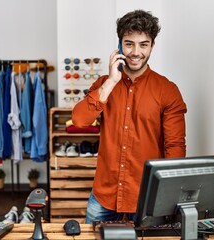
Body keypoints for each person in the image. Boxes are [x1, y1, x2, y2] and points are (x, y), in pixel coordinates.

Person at [72, 9, 187, 223]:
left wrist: (168, 197)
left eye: (143, 44)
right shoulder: (104, 85)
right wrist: (112, 82)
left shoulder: (168, 91)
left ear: (152, 46)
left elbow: (175, 147)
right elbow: (79, 121)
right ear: (119, 45)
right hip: (104, 196)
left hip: (147, 198)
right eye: (129, 43)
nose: (136, 52)